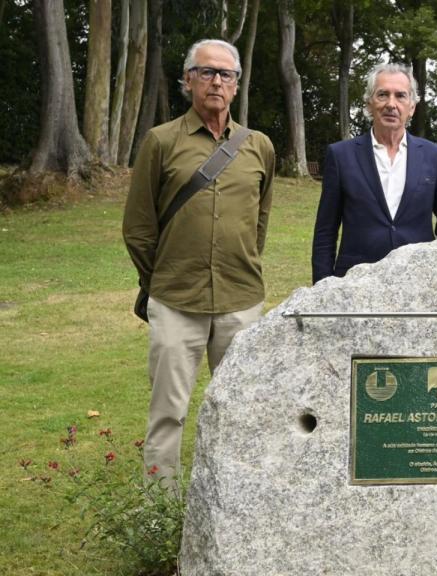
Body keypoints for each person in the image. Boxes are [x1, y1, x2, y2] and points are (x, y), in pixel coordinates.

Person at [122, 39, 275, 486]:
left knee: (243, 410)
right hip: (175, 302)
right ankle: (161, 511)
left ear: (236, 85)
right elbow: (138, 228)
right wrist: (164, 277)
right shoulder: (160, 141)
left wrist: (238, 262)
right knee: (168, 411)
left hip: (240, 302)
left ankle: (236, 501)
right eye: (206, 72)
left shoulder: (259, 147)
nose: (216, 81)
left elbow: (258, 223)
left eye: (225, 75)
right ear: (187, 79)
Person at [312, 63, 437, 282]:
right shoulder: (341, 155)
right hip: (354, 283)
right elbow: (325, 231)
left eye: (400, 96)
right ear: (369, 103)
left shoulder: (434, 156)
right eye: (382, 95)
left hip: (418, 282)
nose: (391, 104)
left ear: (412, 107)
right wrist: (321, 291)